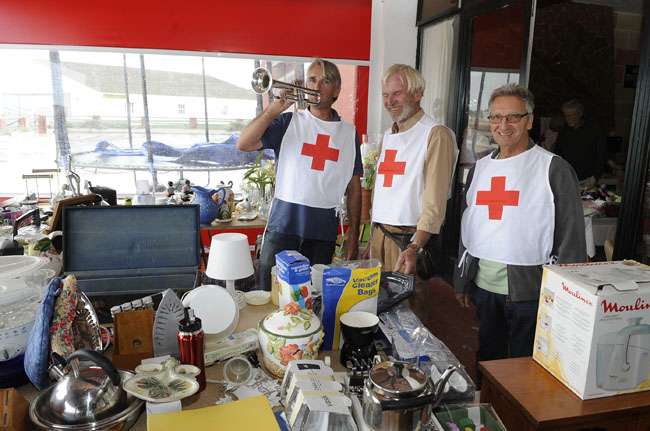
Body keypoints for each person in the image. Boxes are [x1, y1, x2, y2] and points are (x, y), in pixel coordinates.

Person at [453, 84, 586, 386]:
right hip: (485, 286)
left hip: (530, 290)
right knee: (488, 356)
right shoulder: (480, 169)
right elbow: (469, 225)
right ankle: (487, 410)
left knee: (527, 365)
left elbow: (571, 238)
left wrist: (566, 296)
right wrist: (462, 278)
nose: (503, 125)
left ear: (529, 120)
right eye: (496, 117)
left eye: (513, 116)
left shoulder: (553, 168)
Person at [237, 58, 362, 292]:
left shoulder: (348, 133)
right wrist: (275, 108)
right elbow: (244, 143)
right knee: (269, 292)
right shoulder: (288, 122)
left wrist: (353, 233)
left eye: (324, 81)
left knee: (312, 296)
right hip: (283, 223)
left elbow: (354, 186)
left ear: (336, 91)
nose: (315, 86)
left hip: (323, 230)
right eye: (312, 80)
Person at [362, 64, 457, 325]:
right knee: (376, 310)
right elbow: (385, 191)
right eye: (385, 95)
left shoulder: (435, 134)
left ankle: (411, 366)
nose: (389, 101)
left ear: (417, 94)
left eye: (397, 93)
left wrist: (416, 246)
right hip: (381, 236)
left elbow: (435, 202)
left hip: (407, 242)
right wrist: (372, 236)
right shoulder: (389, 135)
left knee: (408, 317)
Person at [553, 99, 607, 189]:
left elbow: (602, 155)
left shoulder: (594, 130)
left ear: (580, 113)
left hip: (587, 179)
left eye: (570, 116)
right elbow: (557, 153)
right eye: (565, 116)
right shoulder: (563, 131)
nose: (567, 119)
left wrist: (595, 176)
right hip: (566, 179)